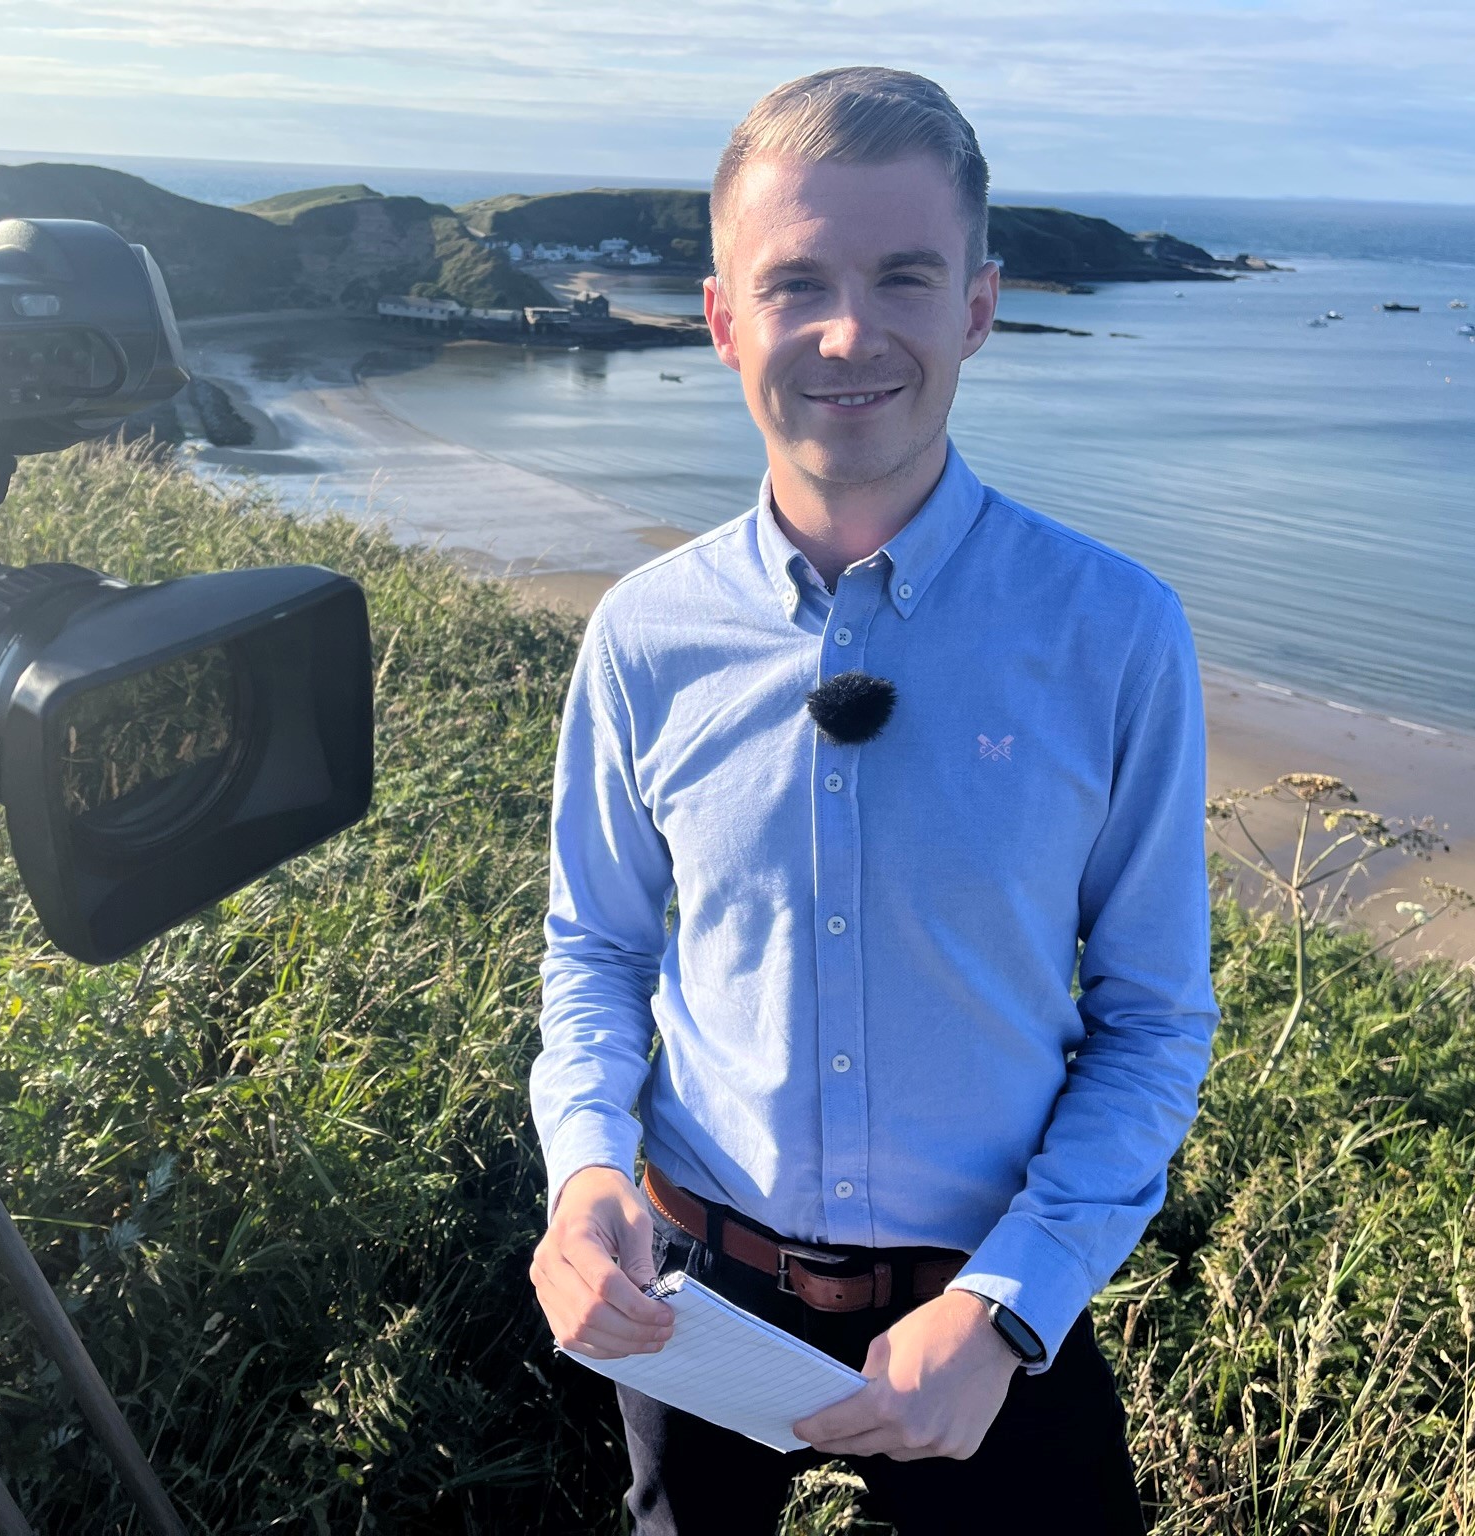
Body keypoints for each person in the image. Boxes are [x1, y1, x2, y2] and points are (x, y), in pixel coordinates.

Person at [528, 65, 1218, 1535]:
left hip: (994, 1312)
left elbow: (1156, 1019)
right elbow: (595, 953)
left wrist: (1010, 1308)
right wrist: (584, 1172)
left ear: (977, 304)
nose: (851, 332)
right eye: (796, 284)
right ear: (724, 321)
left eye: (907, 275)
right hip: (695, 1300)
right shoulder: (644, 636)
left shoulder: (1117, 631)